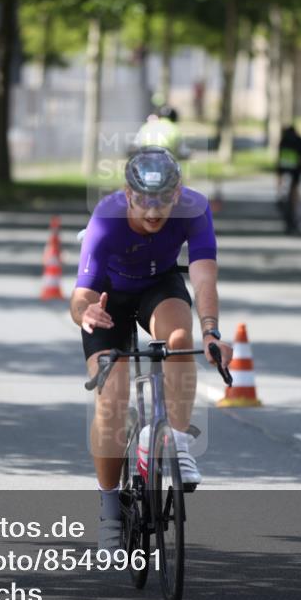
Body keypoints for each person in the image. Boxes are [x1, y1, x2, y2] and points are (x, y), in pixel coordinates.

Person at [70, 146, 233, 552]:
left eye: (164, 200)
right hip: (107, 300)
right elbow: (80, 295)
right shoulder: (106, 218)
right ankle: (110, 506)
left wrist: (211, 331)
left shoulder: (195, 209)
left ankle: (175, 441)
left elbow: (204, 277)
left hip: (158, 287)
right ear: (128, 194)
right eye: (144, 201)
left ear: (178, 194)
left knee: (180, 342)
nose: (154, 211)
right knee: (113, 395)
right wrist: (86, 314)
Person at [276, 124, 301, 233]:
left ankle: (285, 201)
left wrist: (278, 181)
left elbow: (279, 159)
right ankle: (294, 209)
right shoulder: (300, 141)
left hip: (284, 168)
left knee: (286, 191)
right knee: (295, 191)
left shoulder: (283, 141)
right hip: (296, 170)